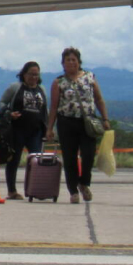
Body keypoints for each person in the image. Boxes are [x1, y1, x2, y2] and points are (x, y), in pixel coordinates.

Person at [46, 47, 110, 204]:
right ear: (63, 63)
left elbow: (99, 99)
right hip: (66, 122)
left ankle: (84, 182)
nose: (71, 62)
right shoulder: (58, 82)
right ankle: (73, 190)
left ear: (79, 62)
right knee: (69, 158)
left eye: (73, 59)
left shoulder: (89, 77)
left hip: (87, 121)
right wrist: (50, 128)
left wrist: (105, 118)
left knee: (88, 155)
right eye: (67, 60)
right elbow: (54, 106)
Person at [0, 61, 47, 199]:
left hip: (36, 131)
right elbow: (2, 102)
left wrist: (48, 127)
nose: (33, 77)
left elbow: (45, 110)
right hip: (17, 129)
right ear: (24, 74)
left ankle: (35, 189)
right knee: (14, 159)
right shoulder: (15, 87)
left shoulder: (41, 89)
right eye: (31, 74)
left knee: (36, 161)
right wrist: (8, 113)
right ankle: (12, 190)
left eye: (36, 75)